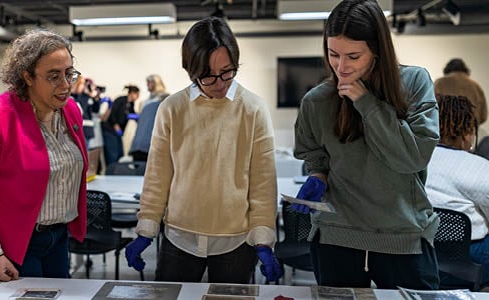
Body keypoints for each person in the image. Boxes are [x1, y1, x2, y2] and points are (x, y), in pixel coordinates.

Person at [292, 0, 440, 290]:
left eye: (353, 56)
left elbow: (413, 158)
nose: (341, 66)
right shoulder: (317, 100)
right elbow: (314, 152)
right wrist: (317, 174)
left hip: (402, 239)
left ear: (377, 50)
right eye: (333, 54)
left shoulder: (414, 82)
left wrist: (366, 103)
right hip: (337, 238)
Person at [124, 16, 281, 284]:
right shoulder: (172, 108)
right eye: (208, 76)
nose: (220, 83)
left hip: (236, 241)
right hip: (179, 238)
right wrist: (146, 227)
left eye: (228, 72)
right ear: (191, 71)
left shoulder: (253, 108)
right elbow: (158, 175)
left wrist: (264, 237)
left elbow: (263, 181)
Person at [0, 29, 88, 281]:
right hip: (9, 244)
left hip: (57, 238)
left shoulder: (69, 110)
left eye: (68, 73)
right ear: (27, 76)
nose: (65, 85)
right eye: (53, 76)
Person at [426, 94, 489, 284]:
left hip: (417, 255)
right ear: (468, 130)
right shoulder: (480, 167)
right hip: (468, 261)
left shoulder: (413, 159)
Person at [434, 58, 487, 128]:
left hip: (444, 130)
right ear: (465, 70)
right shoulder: (475, 86)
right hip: (468, 132)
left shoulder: (439, 83)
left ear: (447, 69)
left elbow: (430, 108)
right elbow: (483, 116)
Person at [101, 85, 140, 166]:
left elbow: (132, 114)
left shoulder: (131, 104)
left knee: (120, 153)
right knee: (112, 154)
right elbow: (113, 113)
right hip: (110, 130)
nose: (138, 96)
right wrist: (116, 125)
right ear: (132, 93)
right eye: (137, 94)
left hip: (118, 132)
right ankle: (111, 171)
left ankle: (117, 170)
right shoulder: (120, 100)